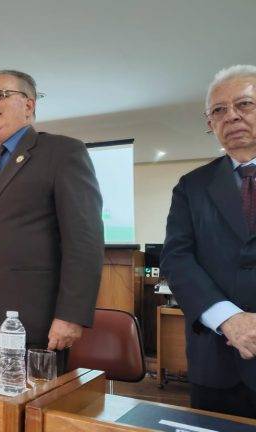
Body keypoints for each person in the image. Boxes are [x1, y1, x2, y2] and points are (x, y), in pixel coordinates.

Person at [0, 70, 104, 371]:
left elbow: (84, 241)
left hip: (29, 326)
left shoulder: (62, 153)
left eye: (0, 95)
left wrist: (71, 314)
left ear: (29, 105)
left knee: (26, 416)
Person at [161, 65, 256, 418]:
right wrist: (230, 319)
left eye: (243, 104)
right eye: (218, 110)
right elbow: (177, 259)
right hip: (216, 360)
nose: (230, 117)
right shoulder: (192, 185)